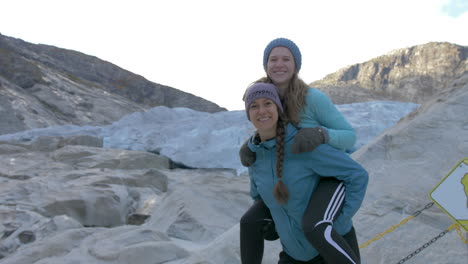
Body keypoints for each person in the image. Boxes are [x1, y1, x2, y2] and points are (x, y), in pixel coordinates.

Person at [239, 38, 359, 263]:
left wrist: (322, 135)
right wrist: (251, 145)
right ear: (265, 64)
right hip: (291, 177)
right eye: (273, 59)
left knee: (314, 226)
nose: (279, 64)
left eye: (286, 59)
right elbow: (266, 127)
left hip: (326, 176)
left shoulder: (312, 98)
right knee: (249, 222)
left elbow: (350, 137)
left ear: (296, 65)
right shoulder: (263, 94)